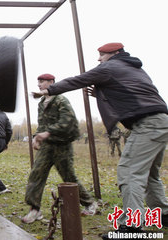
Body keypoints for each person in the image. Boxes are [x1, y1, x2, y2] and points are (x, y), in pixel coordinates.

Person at [32, 43, 168, 234]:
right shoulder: (135, 69)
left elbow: (79, 79)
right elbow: (131, 94)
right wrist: (101, 94)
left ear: (115, 53)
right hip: (161, 121)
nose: (99, 59)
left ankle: (132, 226)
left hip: (148, 125)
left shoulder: (110, 67)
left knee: (129, 172)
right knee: (150, 174)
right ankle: (163, 213)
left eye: (102, 54)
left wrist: (48, 91)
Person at [22, 73, 97, 224]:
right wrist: (37, 137)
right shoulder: (42, 102)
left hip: (62, 145)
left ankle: (90, 203)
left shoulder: (61, 100)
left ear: (51, 82)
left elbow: (68, 121)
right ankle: (35, 209)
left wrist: (48, 133)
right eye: (39, 82)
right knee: (36, 174)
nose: (39, 85)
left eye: (42, 82)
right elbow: (42, 124)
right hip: (47, 145)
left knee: (69, 177)